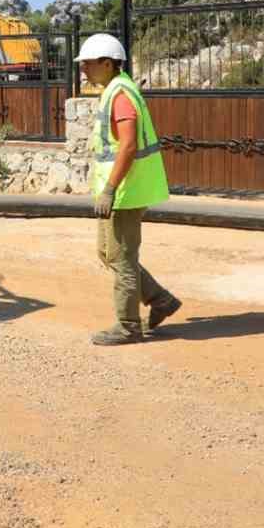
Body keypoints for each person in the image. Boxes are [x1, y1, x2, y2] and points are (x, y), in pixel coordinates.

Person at [77, 33, 181, 345]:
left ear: (107, 63)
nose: (83, 69)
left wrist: (109, 189)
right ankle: (160, 299)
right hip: (122, 189)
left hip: (125, 190)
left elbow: (128, 144)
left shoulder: (120, 95)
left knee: (121, 259)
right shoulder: (114, 89)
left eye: (88, 64)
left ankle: (128, 326)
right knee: (109, 253)